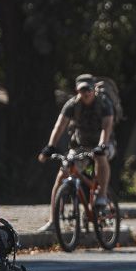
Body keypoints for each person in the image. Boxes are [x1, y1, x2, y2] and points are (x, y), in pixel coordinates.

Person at [38, 74, 115, 222]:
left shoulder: (104, 103)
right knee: (62, 174)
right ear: (77, 90)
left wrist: (101, 145)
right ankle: (53, 220)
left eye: (89, 89)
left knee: (101, 157)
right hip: (80, 145)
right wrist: (50, 146)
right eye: (82, 90)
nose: (86, 93)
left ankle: (102, 195)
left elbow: (107, 126)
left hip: (104, 143)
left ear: (94, 89)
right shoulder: (72, 105)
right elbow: (60, 125)